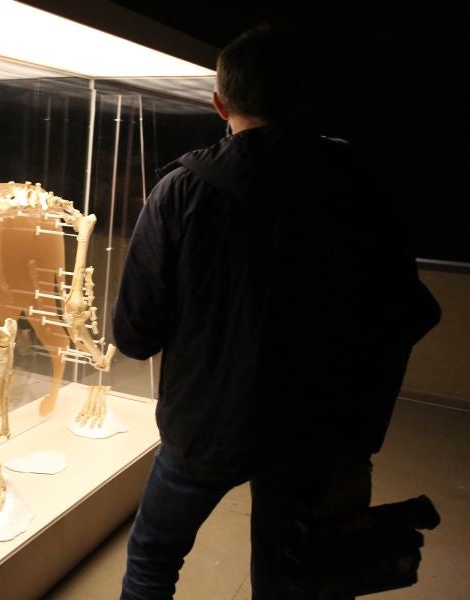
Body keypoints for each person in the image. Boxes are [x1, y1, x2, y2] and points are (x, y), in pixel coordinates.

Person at [112, 23, 441, 599]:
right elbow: (410, 312)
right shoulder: (361, 187)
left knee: (152, 556)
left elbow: (135, 335)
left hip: (205, 427)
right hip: (318, 430)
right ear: (305, 99)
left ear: (220, 103)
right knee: (292, 570)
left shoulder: (179, 193)